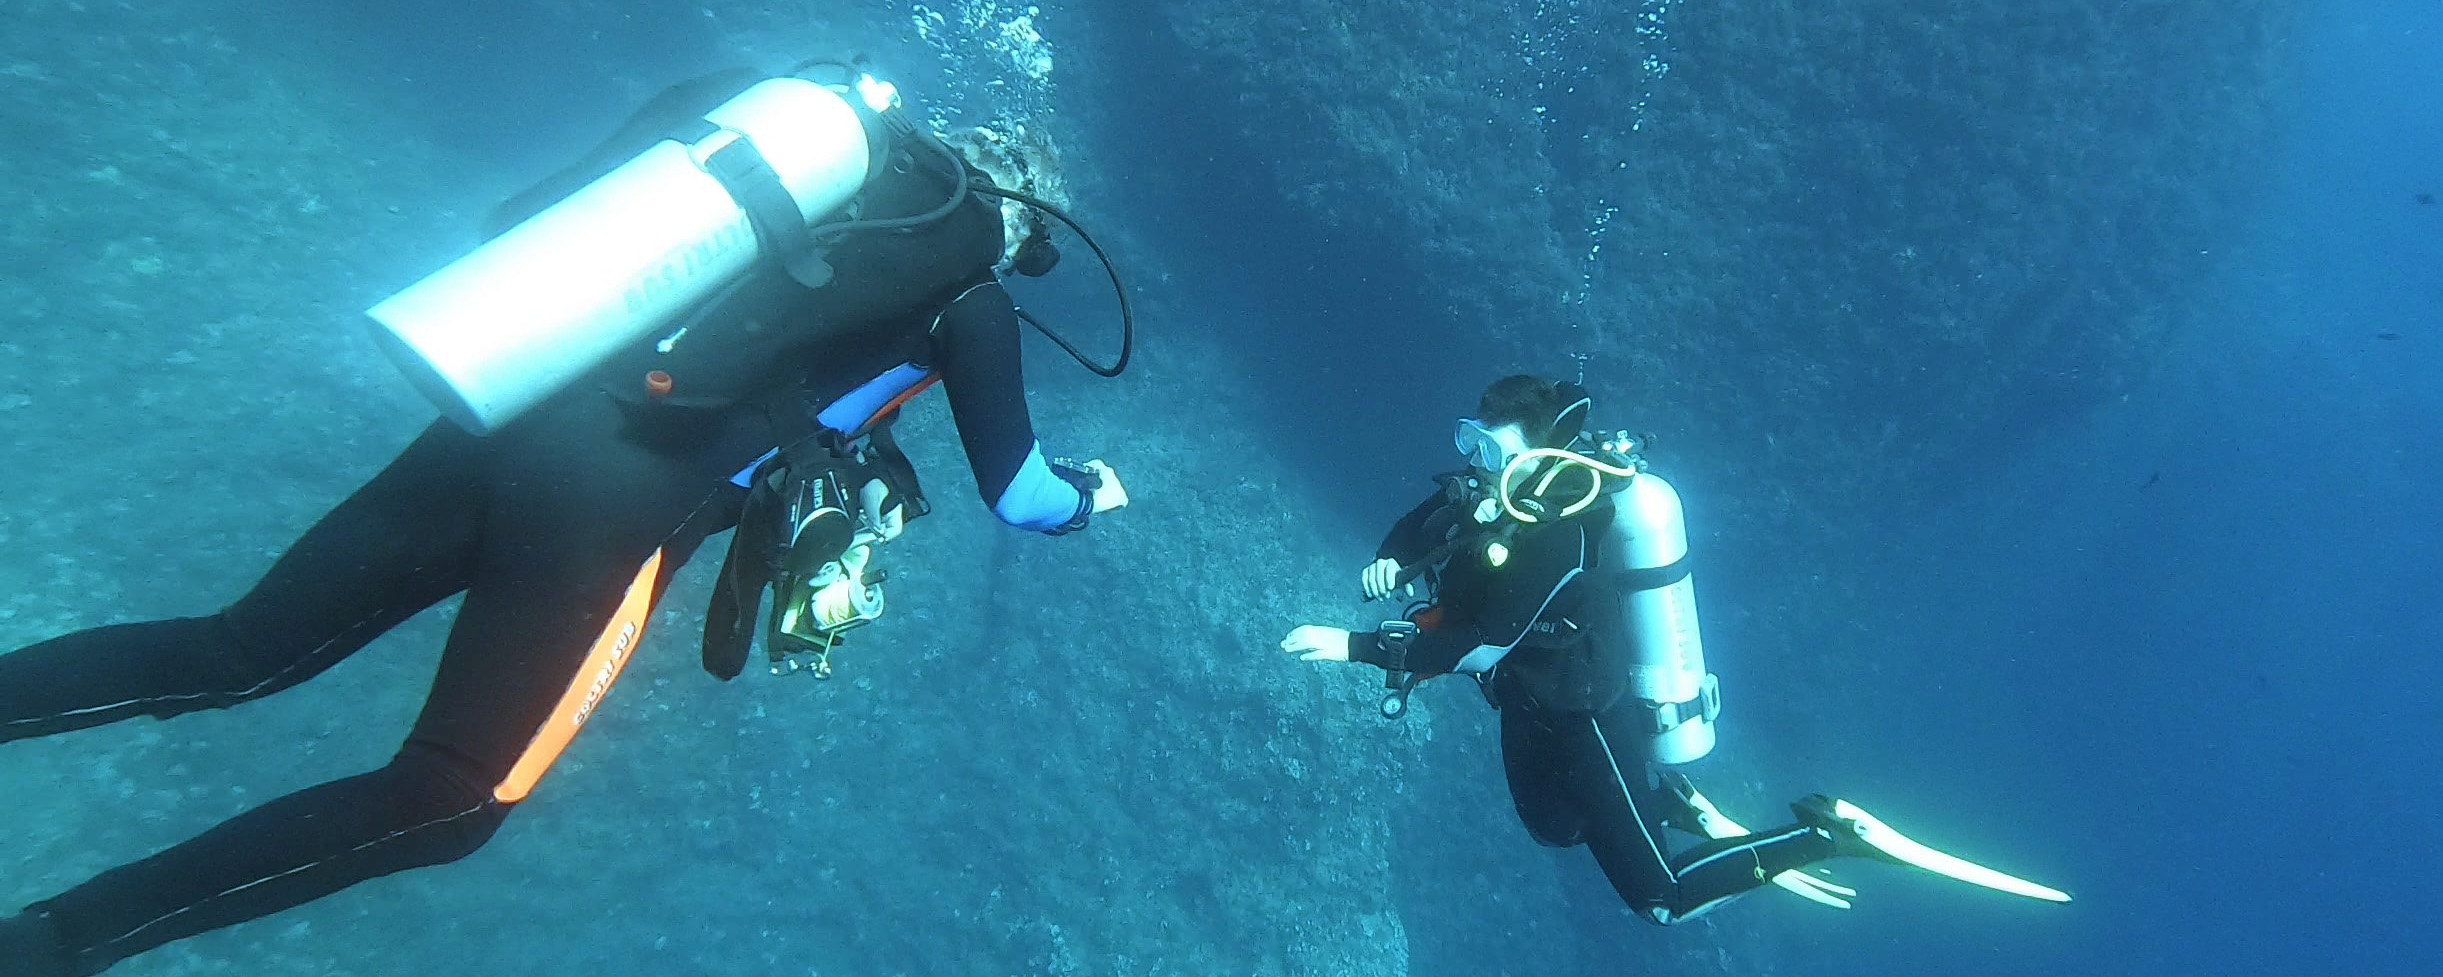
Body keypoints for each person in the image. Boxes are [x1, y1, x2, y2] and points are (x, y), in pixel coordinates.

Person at [0, 61, 1128, 976]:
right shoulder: (970, 297)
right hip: (609, 522)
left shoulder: (779, 195)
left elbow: (538, 224)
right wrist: (1096, 494)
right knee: (453, 797)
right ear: (1018, 230)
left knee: (235, 650)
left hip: (502, 420)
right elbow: (1021, 498)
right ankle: (52, 943)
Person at [1280, 374, 2067, 923]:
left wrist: (1355, 646)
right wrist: (1388, 553)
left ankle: (1824, 831)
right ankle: (1676, 803)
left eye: (1492, 451)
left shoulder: (1557, 532)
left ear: (1537, 458)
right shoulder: (1485, 492)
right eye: (1471, 442)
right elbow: (1424, 522)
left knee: (1660, 899)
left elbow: (1486, 643)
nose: (1476, 464)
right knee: (1552, 825)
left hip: (1580, 704)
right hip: (1525, 697)